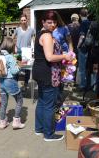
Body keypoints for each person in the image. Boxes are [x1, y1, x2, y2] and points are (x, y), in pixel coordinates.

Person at [32, 10, 72, 141]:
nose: (53, 25)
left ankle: (39, 129)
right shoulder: (47, 36)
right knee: (49, 104)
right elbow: (49, 57)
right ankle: (49, 134)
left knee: (42, 101)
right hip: (47, 73)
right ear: (43, 22)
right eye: (49, 22)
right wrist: (64, 56)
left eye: (54, 22)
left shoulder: (40, 34)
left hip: (39, 71)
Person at [0, 37, 25, 129]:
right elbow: (14, 71)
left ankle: (2, 122)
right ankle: (16, 121)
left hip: (1, 81)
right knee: (19, 100)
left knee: (4, 102)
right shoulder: (10, 57)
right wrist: (20, 66)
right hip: (10, 81)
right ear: (11, 46)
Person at [14, 14, 35, 90]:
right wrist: (15, 47)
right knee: (17, 68)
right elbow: (12, 38)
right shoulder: (17, 29)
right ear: (20, 21)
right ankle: (15, 85)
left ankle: (25, 84)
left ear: (27, 20)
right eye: (22, 20)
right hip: (19, 51)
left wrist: (33, 48)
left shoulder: (31, 29)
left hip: (27, 51)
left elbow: (33, 38)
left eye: (24, 20)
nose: (23, 22)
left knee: (27, 69)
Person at [77, 8, 91, 91]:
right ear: (88, 15)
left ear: (80, 15)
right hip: (90, 48)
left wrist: (78, 45)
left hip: (83, 48)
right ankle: (89, 84)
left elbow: (82, 36)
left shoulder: (82, 24)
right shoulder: (91, 23)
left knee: (82, 68)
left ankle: (83, 85)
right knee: (88, 67)